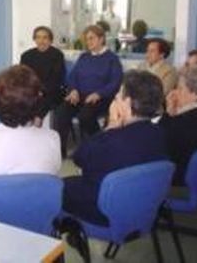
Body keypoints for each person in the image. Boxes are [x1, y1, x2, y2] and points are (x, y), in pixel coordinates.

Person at [63, 70, 167, 225]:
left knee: (53, 187)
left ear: (127, 103)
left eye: (118, 96)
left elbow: (79, 157)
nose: (115, 100)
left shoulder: (112, 140)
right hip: (142, 206)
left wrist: (110, 126)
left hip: (105, 211)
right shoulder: (160, 133)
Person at [54, 25, 123, 157]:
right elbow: (72, 77)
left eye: (92, 38)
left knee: (85, 116)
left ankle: (96, 146)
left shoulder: (112, 59)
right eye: (87, 39)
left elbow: (115, 83)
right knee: (61, 112)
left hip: (101, 98)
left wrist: (99, 94)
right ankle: (61, 152)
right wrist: (73, 90)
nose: (88, 42)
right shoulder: (84, 57)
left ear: (101, 39)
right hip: (79, 96)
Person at [20, 26, 65, 126]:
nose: (41, 40)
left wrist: (41, 91)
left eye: (45, 37)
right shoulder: (26, 55)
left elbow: (57, 79)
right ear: (34, 39)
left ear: (50, 40)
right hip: (32, 91)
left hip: (52, 91)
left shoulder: (57, 55)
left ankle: (37, 122)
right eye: (38, 37)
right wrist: (32, 90)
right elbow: (23, 77)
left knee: (42, 102)